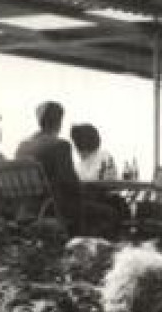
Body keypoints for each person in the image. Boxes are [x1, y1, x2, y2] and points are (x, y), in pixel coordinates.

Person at [17, 101, 115, 237]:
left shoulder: (22, 147)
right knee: (110, 212)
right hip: (55, 208)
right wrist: (89, 193)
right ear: (59, 122)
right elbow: (70, 183)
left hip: (28, 209)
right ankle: (87, 245)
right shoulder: (60, 145)